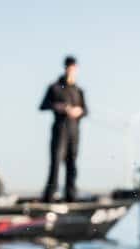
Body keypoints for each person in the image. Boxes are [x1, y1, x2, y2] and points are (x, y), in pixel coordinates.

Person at [40, 56, 88, 202]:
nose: (71, 70)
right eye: (69, 67)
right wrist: (60, 107)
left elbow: (86, 111)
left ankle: (71, 196)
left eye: (73, 68)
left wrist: (79, 111)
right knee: (56, 162)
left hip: (74, 131)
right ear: (65, 68)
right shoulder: (54, 87)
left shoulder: (78, 90)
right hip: (60, 129)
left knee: (72, 163)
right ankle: (50, 196)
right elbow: (43, 106)